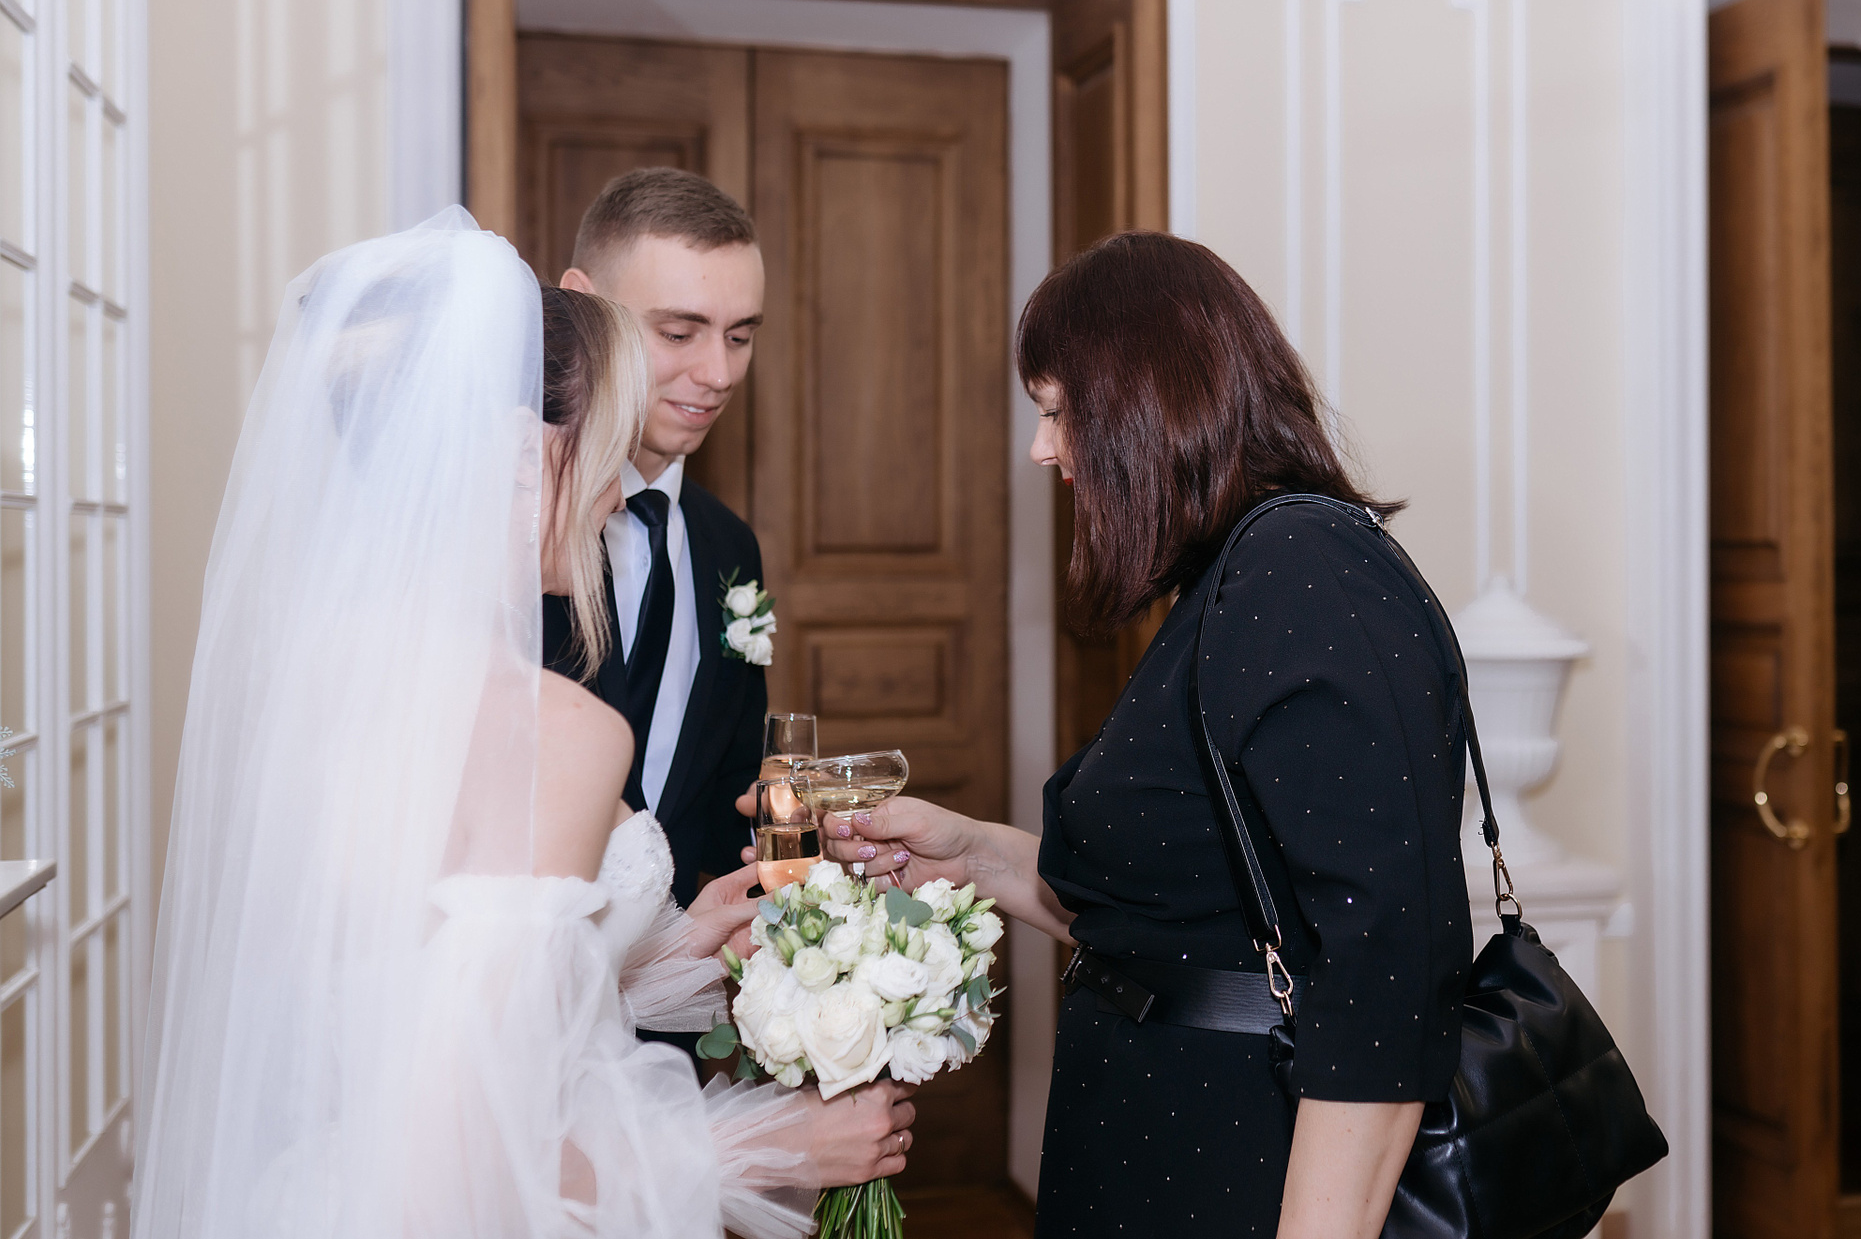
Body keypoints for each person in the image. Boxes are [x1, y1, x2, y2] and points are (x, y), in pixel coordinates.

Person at [134, 210, 915, 1239]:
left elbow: (424, 990)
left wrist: (682, 945)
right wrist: (770, 1145)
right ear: (518, 454)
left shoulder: (322, 679)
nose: (615, 496)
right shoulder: (553, 728)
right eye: (605, 449)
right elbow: (467, 1156)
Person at [816, 232, 1474, 1238]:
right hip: (1164, 1146)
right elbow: (1189, 921)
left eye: (1056, 411)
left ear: (1145, 401)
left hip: (1240, 1164)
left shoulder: (1303, 572)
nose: (1042, 449)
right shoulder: (1234, 576)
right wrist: (972, 854)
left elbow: (1382, 980)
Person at [544, 166, 767, 910]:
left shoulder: (731, 546)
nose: (719, 373)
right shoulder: (511, 538)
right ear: (583, 303)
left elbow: (723, 798)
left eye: (740, 336)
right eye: (678, 333)